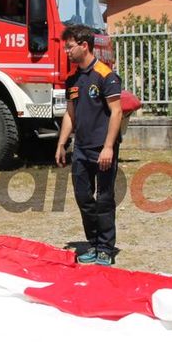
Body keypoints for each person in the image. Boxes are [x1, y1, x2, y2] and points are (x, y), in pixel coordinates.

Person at [55, 25, 124, 265]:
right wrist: (62, 143)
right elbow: (70, 114)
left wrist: (108, 147)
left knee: (104, 198)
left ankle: (105, 248)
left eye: (69, 47)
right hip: (81, 149)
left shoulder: (106, 75)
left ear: (84, 46)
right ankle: (93, 243)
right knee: (83, 197)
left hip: (102, 148)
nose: (66, 51)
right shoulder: (72, 80)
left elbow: (116, 112)